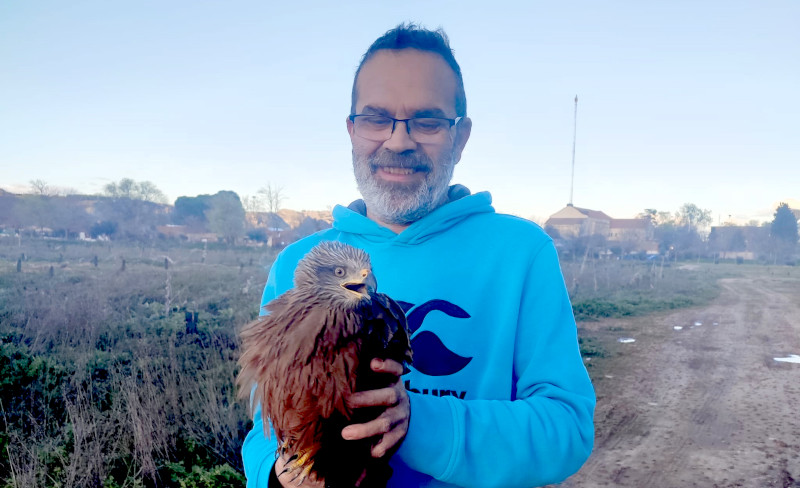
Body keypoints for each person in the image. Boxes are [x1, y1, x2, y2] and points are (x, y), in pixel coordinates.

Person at [242, 23, 595, 488]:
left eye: (427, 121)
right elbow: (267, 422)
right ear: (352, 130)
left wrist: (419, 422)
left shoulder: (521, 252)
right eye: (376, 118)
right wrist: (278, 474)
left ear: (460, 136)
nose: (398, 141)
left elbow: (566, 428)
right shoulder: (298, 263)